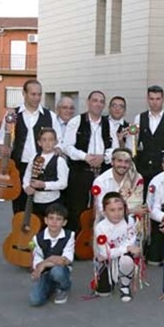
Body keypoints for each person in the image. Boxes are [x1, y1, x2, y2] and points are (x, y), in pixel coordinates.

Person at [0, 79, 60, 213]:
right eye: (33, 94)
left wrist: (57, 150)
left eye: (39, 94)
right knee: (19, 207)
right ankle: (20, 233)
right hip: (19, 167)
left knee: (42, 208)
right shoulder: (13, 115)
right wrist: (1, 147)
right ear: (24, 94)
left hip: (43, 168)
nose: (37, 98)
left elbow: (60, 140)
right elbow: (1, 138)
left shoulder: (50, 116)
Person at [63, 90, 112, 233]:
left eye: (101, 101)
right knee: (77, 208)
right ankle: (76, 246)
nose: (98, 104)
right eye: (95, 100)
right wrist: (85, 157)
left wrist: (104, 157)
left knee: (101, 207)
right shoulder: (76, 121)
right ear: (88, 102)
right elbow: (67, 147)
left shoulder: (108, 123)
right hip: (80, 172)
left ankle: (99, 244)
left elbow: (113, 148)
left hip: (102, 172)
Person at [93, 192, 142, 302]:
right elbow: (105, 254)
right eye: (112, 210)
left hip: (123, 255)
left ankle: (125, 285)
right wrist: (125, 249)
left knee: (126, 260)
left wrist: (126, 250)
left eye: (120, 209)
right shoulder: (100, 227)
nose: (117, 213)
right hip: (106, 260)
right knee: (103, 293)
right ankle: (112, 276)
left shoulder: (130, 221)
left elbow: (132, 241)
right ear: (104, 212)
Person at [131, 85, 164, 190]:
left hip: (162, 170)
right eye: (152, 99)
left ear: (163, 99)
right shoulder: (139, 118)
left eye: (158, 99)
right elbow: (134, 143)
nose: (155, 102)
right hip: (142, 168)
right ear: (147, 100)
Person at [28, 203, 74, 306]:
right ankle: (51, 285)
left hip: (61, 269)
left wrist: (44, 264)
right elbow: (37, 262)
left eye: (58, 219)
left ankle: (63, 287)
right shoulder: (37, 238)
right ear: (45, 220)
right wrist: (42, 266)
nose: (54, 222)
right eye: (51, 218)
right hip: (44, 273)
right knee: (35, 300)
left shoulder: (69, 235)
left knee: (57, 271)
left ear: (64, 222)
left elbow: (64, 260)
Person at [22, 128, 69, 219]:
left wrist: (44, 184)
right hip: (35, 200)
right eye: (44, 140)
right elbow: (27, 175)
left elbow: (63, 183)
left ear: (56, 142)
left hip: (52, 200)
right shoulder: (34, 157)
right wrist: (26, 187)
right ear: (39, 143)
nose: (47, 143)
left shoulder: (59, 161)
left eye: (51, 140)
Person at [92, 148, 146, 219]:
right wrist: (131, 211)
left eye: (127, 161)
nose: (123, 165)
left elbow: (137, 204)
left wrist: (131, 211)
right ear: (112, 162)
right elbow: (103, 211)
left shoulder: (136, 178)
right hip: (106, 223)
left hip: (130, 222)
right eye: (119, 161)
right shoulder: (101, 181)